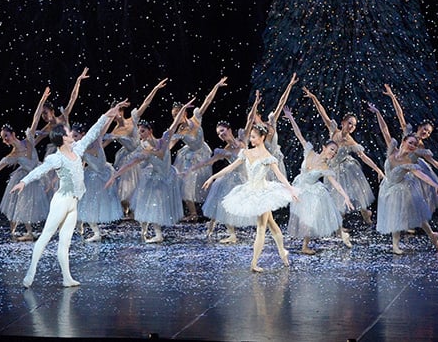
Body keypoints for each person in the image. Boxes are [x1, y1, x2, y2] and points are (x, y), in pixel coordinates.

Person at [11, 99, 129, 288]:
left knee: (65, 242)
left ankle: (67, 278)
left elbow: (93, 132)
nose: (71, 134)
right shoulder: (56, 158)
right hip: (61, 201)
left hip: (74, 203)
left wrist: (110, 113)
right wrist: (24, 182)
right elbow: (40, 170)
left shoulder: (78, 149)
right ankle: (30, 273)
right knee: (46, 236)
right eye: (68, 133)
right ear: (63, 138)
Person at [204, 90, 298, 272]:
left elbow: (279, 175)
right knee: (271, 225)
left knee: (261, 227)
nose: (251, 139)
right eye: (251, 137)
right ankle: (282, 252)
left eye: (254, 137)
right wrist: (213, 176)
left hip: (263, 193)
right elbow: (230, 167)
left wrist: (291, 189)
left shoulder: (268, 157)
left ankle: (254, 263)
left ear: (262, 138)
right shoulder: (246, 153)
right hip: (250, 190)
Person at [0, 88, 52, 241]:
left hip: (37, 174)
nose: (5, 139)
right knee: (22, 203)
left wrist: (42, 99)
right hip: (24, 178)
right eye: (3, 138)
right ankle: (27, 232)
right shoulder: (12, 155)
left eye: (6, 136)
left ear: (13, 134)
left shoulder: (29, 139)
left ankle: (30, 230)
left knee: (41, 200)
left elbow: (35, 118)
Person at [105, 100, 193, 243]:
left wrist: (183, 108)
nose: (140, 134)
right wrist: (114, 176)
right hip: (155, 178)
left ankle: (149, 228)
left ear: (150, 130)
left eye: (143, 131)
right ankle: (155, 233)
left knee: (154, 204)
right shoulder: (143, 149)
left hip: (167, 176)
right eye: (139, 132)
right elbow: (129, 164)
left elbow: (175, 124)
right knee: (152, 203)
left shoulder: (164, 139)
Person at [368, 103, 438, 255]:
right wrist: (377, 113)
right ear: (403, 142)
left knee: (407, 213)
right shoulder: (392, 150)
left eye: (414, 145)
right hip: (388, 186)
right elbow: (384, 129)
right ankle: (431, 234)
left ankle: (397, 245)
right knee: (403, 214)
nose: (412, 146)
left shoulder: (408, 161)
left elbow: (421, 175)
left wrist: (435, 185)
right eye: (410, 143)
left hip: (401, 188)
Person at [382, 85, 438, 226]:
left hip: (416, 169)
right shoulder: (408, 133)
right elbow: (400, 114)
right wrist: (392, 96)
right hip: (404, 167)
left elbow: (436, 163)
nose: (426, 133)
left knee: (431, 190)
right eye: (425, 129)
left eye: (429, 132)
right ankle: (409, 221)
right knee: (408, 196)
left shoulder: (422, 147)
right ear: (419, 128)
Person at [302, 86, 384, 225]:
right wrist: (314, 98)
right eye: (349, 123)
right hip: (332, 167)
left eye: (354, 125)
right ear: (343, 123)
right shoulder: (334, 130)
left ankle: (365, 213)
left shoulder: (350, 141)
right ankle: (340, 222)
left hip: (347, 168)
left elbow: (363, 157)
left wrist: (378, 170)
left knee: (356, 193)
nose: (351, 126)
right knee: (336, 196)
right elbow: (322, 113)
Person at [283, 109, 354, 253]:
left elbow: (335, 184)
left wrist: (345, 196)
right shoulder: (309, 152)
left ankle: (305, 246)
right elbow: (299, 134)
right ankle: (340, 234)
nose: (333, 153)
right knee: (302, 218)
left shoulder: (325, 167)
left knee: (309, 218)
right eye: (332, 149)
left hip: (313, 192)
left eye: (335, 152)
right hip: (299, 187)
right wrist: (291, 118)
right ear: (324, 148)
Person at [173, 77, 227, 221]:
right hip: (188, 156)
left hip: (202, 153)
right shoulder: (179, 130)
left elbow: (207, 101)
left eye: (177, 114)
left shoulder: (196, 118)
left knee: (202, 185)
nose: (175, 118)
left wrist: (216, 86)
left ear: (184, 113)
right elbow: (169, 145)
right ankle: (193, 213)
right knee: (186, 183)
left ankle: (208, 210)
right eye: (173, 116)